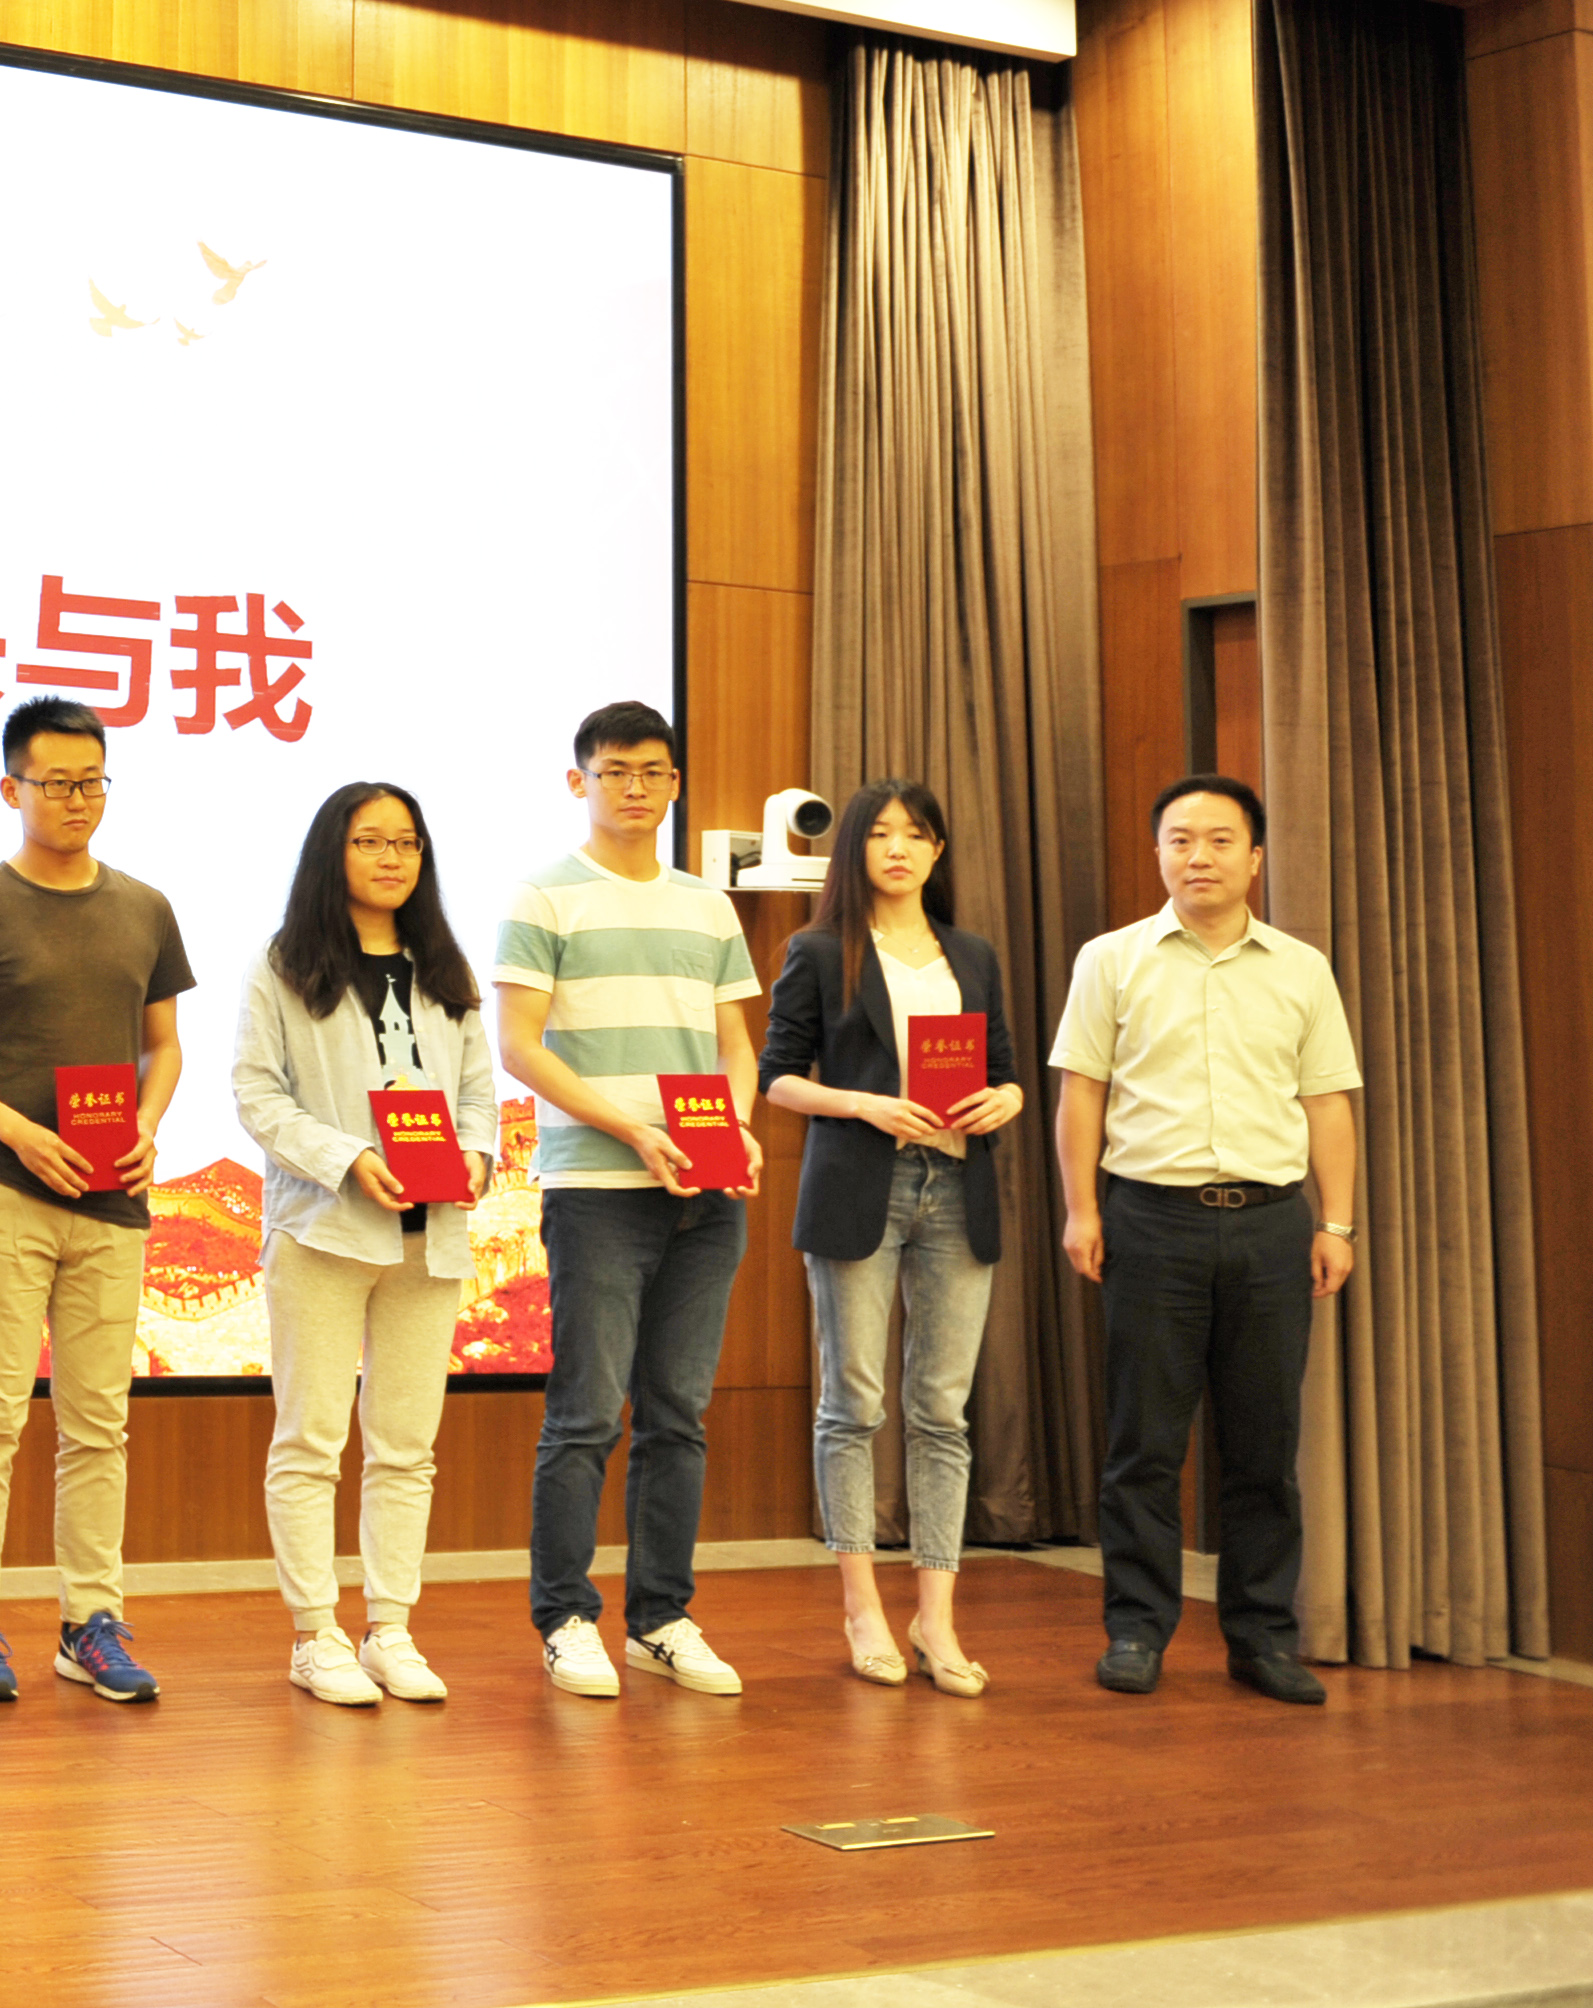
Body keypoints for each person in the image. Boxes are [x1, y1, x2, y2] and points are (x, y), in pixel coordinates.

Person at [0, 696, 194, 1705]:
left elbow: (163, 1046)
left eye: (91, 782)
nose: (76, 800)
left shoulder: (145, 907)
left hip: (112, 1198)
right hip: (3, 1187)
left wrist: (147, 1124)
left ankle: (90, 1622)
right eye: (56, 783)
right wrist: (17, 1131)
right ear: (10, 788)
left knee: (98, 1424)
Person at [1053, 772, 1362, 1705]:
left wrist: (1336, 1222)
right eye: (1181, 840)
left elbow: (1327, 1103)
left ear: (1255, 858)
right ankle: (1136, 1631)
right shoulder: (1110, 959)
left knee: (1264, 1448)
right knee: (1143, 1445)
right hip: (1150, 1221)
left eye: (1221, 840)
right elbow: (1082, 1093)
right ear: (1158, 854)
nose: (1200, 857)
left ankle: (1262, 1638)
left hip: (1272, 1226)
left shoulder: (1301, 968)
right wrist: (1082, 1209)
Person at [493, 700, 763, 1702]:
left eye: (651, 770)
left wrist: (734, 1127)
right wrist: (632, 1129)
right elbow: (518, 1046)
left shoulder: (706, 906)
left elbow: (735, 1046)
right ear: (580, 782)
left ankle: (659, 1617)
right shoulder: (544, 895)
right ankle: (566, 1618)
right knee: (583, 1416)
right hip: (598, 1187)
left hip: (705, 1191)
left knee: (678, 1414)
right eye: (613, 771)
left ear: (674, 783)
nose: (634, 787)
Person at [231, 781, 497, 1708]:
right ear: (331, 853)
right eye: (370, 840)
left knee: (406, 1446)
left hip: (431, 1236)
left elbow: (479, 1092)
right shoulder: (285, 964)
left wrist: (476, 1156)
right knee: (311, 1439)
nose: (392, 857)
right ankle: (316, 1635)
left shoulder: (444, 965)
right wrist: (346, 1160)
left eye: (407, 842)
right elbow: (257, 1094)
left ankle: (391, 1628)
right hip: (325, 1228)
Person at [759, 778, 1024, 1696]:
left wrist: (1007, 1098)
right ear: (855, 851)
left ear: (938, 850)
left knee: (942, 1410)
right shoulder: (819, 950)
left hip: (957, 1186)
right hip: (859, 1186)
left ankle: (936, 1618)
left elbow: (1005, 1070)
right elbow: (777, 1077)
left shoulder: (972, 953)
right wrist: (863, 1104)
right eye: (880, 835)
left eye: (916, 834)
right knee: (853, 1402)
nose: (899, 849)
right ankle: (862, 1606)